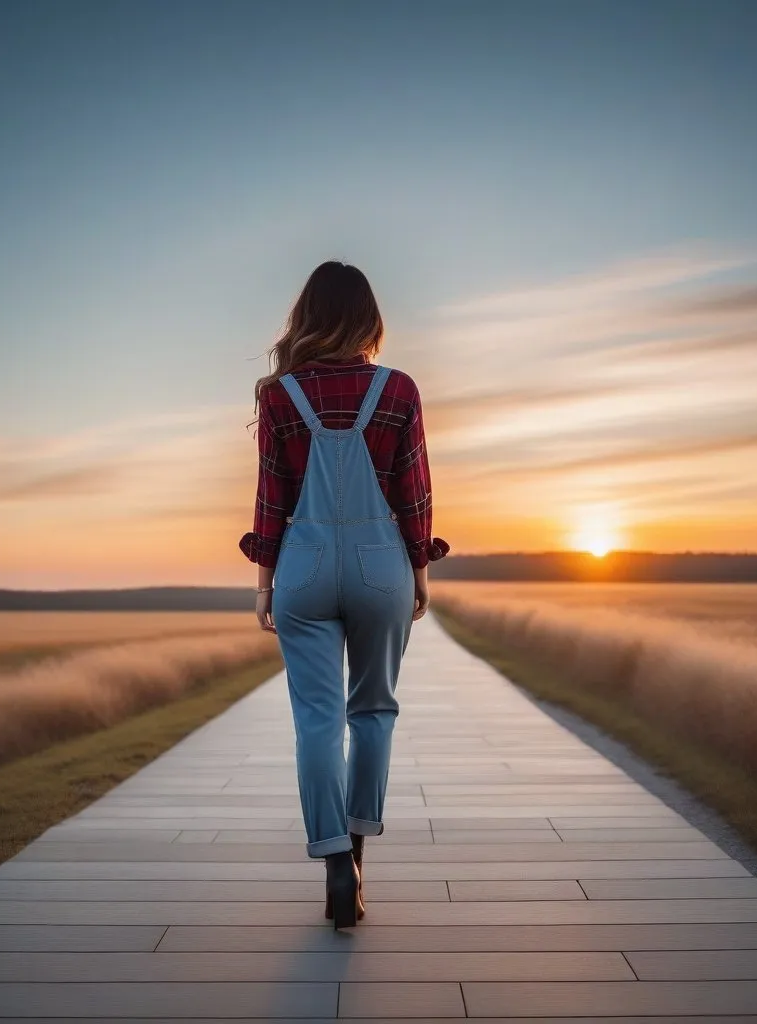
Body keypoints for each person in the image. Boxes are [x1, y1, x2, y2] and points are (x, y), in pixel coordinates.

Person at [239, 261, 449, 929]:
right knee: (374, 710)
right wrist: (419, 569)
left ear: (305, 317)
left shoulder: (280, 396)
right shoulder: (398, 390)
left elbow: (271, 497)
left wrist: (265, 581)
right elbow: (413, 490)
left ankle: (333, 859)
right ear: (368, 318)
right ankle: (358, 851)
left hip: (301, 563)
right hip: (377, 561)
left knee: (317, 721)